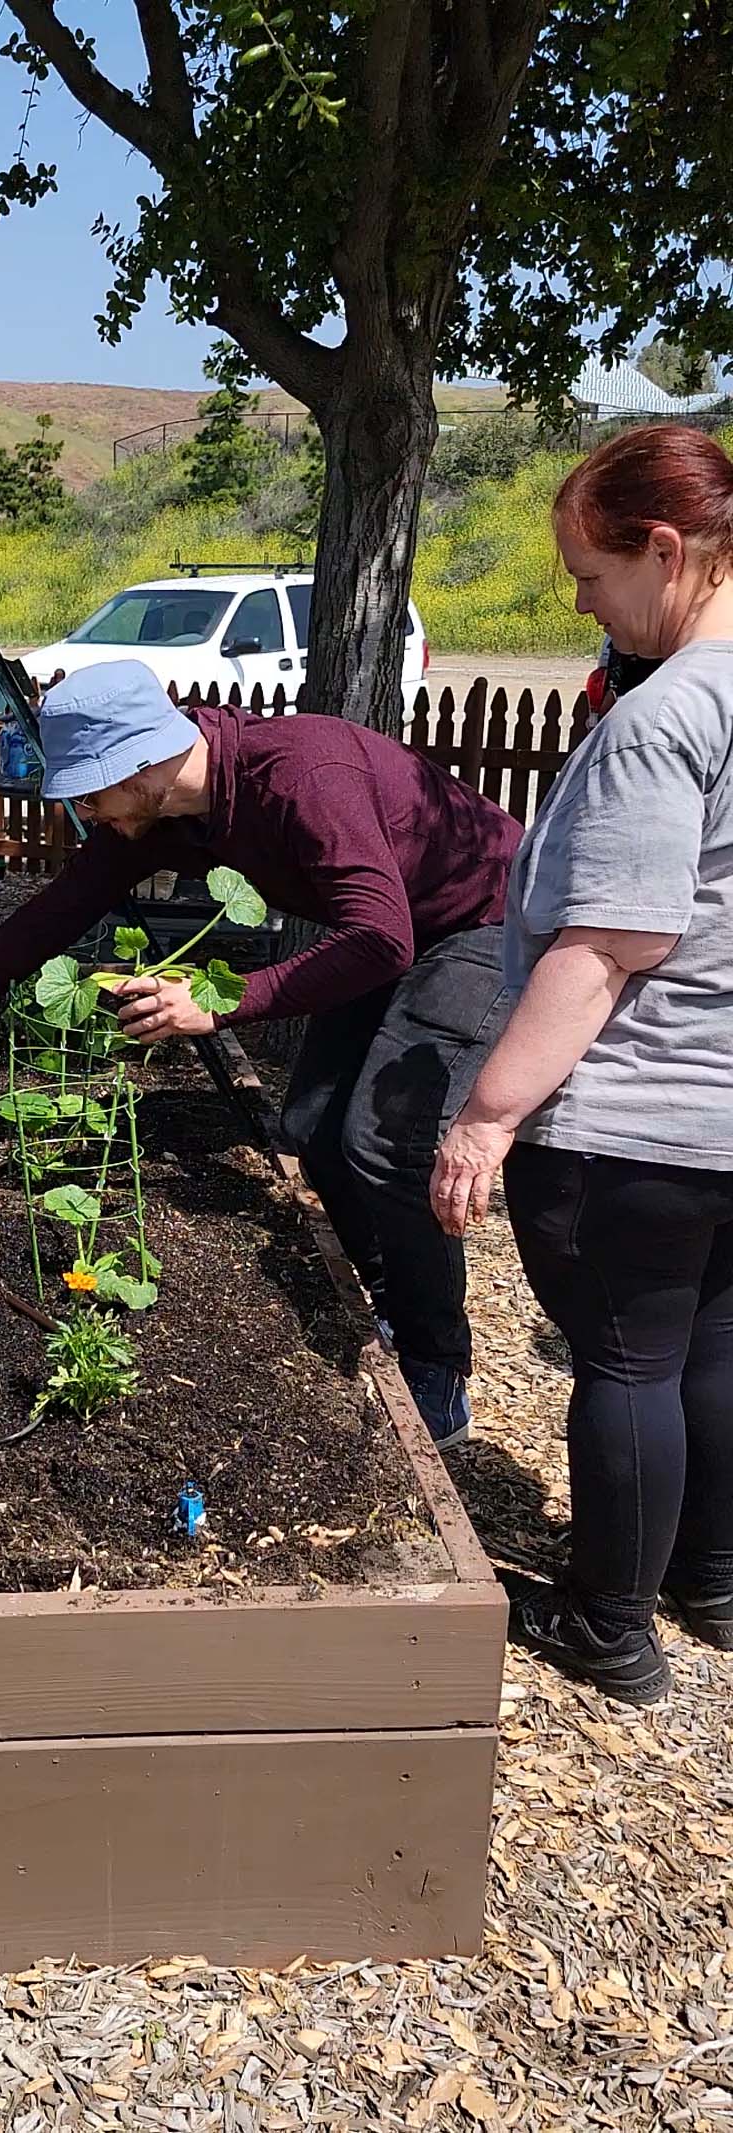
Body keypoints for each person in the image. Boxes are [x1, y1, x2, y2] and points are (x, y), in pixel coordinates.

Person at [0, 658, 521, 1446]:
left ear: (137, 765)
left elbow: (379, 937)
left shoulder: (305, 778)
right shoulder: (160, 815)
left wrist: (219, 1002)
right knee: (311, 1124)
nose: (90, 813)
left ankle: (437, 1367)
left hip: (485, 921)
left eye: (92, 793)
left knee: (381, 1140)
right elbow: (50, 916)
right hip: (393, 927)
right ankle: (383, 1296)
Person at [432, 421, 733, 1706]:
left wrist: (489, 1115)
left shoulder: (668, 717)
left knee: (626, 1361)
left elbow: (608, 947)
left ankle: (610, 1627)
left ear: (666, 552)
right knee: (711, 1346)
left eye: (591, 576)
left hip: (641, 1113)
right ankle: (711, 1578)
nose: (578, 601)